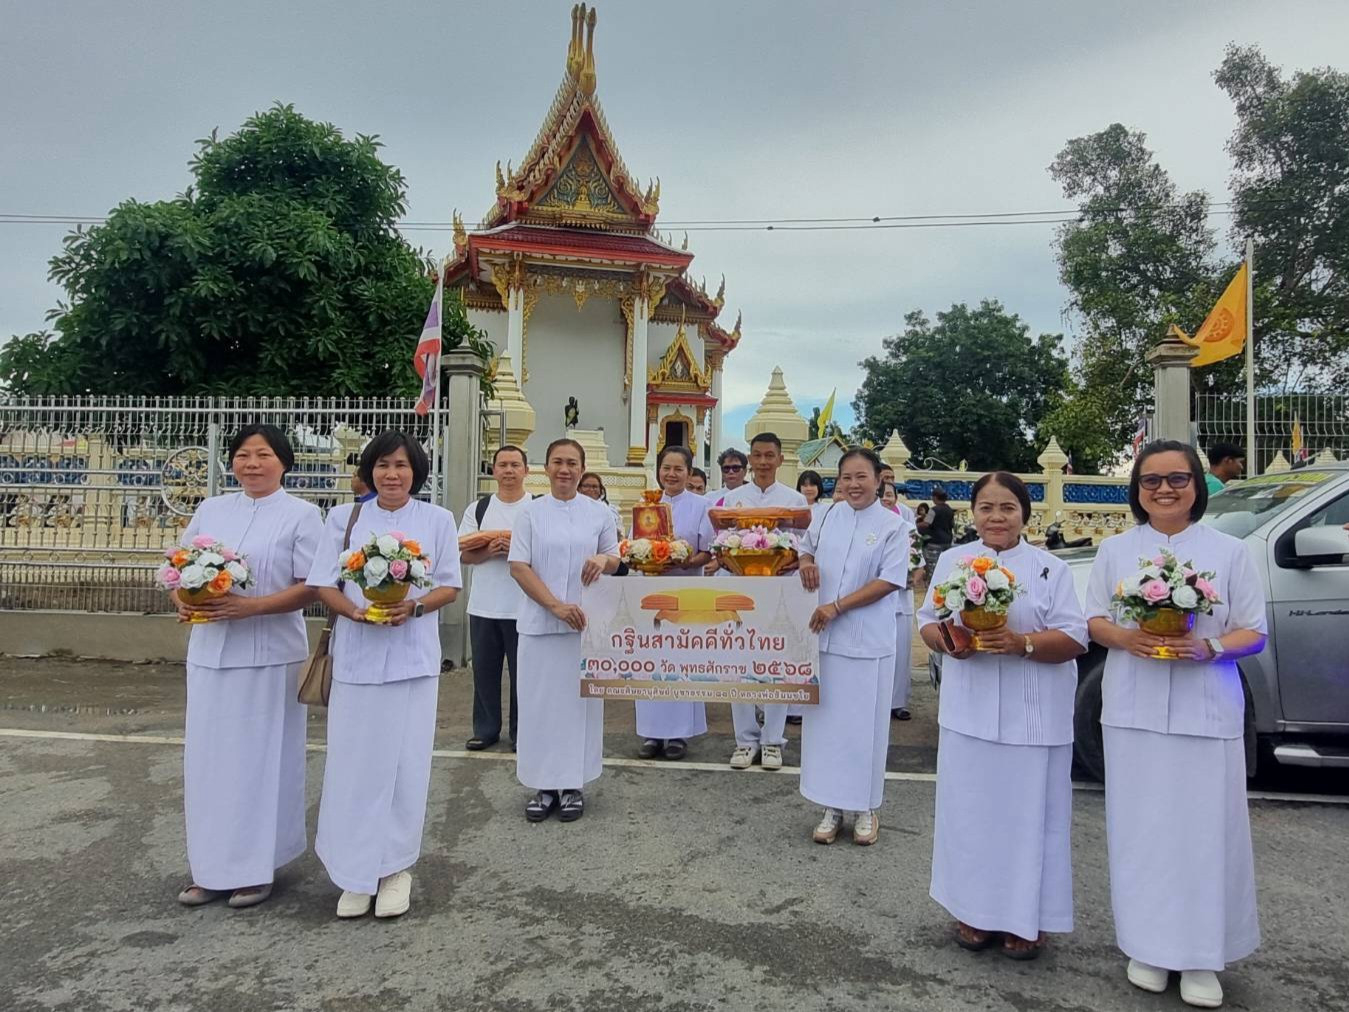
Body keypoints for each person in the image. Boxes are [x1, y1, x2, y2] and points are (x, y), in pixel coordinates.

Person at [1085, 440, 1266, 1008]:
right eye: (1151, 480)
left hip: (1205, 708)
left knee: (1205, 831)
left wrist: (1209, 647)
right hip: (1133, 707)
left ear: (1197, 486)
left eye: (1177, 479)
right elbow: (1093, 620)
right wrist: (1126, 636)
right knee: (1142, 829)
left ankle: (1202, 955)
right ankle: (1147, 945)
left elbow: (1254, 632)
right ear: (1137, 489)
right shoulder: (1115, 551)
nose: (1164, 489)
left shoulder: (1230, 552)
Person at [918, 471, 1088, 960]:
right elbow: (929, 621)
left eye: (1007, 508)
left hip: (1033, 718)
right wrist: (950, 643)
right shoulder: (953, 561)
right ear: (974, 513)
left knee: (1030, 819)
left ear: (1024, 515)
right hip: (969, 712)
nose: (996, 517)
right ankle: (973, 910)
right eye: (987, 508)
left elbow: (1076, 637)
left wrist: (1022, 643)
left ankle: (1026, 920)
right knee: (971, 815)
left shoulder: (1049, 569)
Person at [308, 430, 462, 920]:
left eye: (401, 465)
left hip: (413, 661)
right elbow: (322, 583)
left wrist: (413, 607)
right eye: (382, 465)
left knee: (404, 766)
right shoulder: (344, 517)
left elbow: (449, 586)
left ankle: (395, 869)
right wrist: (355, 615)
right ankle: (355, 872)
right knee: (354, 765)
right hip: (356, 658)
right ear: (369, 471)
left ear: (416, 471)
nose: (392, 474)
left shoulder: (436, 519)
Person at [173, 424, 324, 910]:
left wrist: (252, 608)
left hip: (270, 656)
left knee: (261, 762)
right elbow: (180, 565)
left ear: (283, 461)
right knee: (209, 761)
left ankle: (256, 868)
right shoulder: (212, 508)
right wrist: (182, 596)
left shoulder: (302, 515)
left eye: (263, 455)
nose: (252, 464)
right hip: (212, 651)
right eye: (243, 455)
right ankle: (210, 868)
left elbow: (313, 585)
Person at [797, 447, 907, 846]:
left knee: (865, 728)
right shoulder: (826, 515)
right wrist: (806, 562)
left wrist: (838, 606)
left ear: (879, 480)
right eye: (846, 477)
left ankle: (864, 809)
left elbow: (889, 580)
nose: (853, 485)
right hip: (824, 640)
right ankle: (831, 806)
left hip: (868, 643)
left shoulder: (893, 526)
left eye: (862, 477)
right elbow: (804, 548)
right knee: (827, 728)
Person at [510, 438, 621, 822]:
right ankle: (544, 785)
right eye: (558, 461)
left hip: (585, 628)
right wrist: (555, 606)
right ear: (545, 467)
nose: (565, 469)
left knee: (579, 708)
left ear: (583, 467)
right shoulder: (530, 513)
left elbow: (616, 558)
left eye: (572, 463)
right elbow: (519, 566)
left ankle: (573, 783)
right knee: (541, 707)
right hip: (541, 625)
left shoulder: (599, 512)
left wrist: (602, 558)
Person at [700, 432, 808, 770]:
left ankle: (773, 740)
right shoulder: (734, 501)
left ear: (780, 459)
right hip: (739, 590)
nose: (763, 462)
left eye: (769, 455)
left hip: (780, 592)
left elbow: (804, 547)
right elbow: (720, 545)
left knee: (776, 663)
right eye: (757, 456)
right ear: (750, 459)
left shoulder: (795, 501)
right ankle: (745, 740)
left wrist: (788, 561)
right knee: (739, 665)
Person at [634, 445, 712, 760]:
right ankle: (652, 733)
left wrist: (684, 560)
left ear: (689, 472)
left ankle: (680, 733)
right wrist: (648, 559)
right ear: (658, 470)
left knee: (683, 660)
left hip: (687, 590)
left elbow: (710, 550)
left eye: (679, 469)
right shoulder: (645, 506)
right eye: (666, 468)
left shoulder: (702, 506)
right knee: (651, 660)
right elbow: (634, 547)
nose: (672, 474)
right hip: (651, 591)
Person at [459, 445, 531, 752]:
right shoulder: (479, 509)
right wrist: (490, 550)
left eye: (515, 465)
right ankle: (486, 729)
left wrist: (514, 549)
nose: (509, 471)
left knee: (523, 675)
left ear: (526, 470)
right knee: (484, 672)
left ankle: (523, 732)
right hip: (485, 605)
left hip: (525, 606)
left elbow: (546, 552)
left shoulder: (536, 508)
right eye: (503, 465)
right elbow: (463, 552)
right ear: (494, 470)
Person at [579, 470, 624, 538]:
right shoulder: (572, 507)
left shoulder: (609, 510)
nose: (591, 489)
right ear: (579, 488)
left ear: (601, 490)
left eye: (595, 487)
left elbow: (617, 534)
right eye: (586, 486)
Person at [922, 487, 956, 572]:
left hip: (934, 542)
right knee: (945, 565)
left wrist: (916, 524)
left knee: (933, 566)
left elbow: (926, 524)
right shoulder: (950, 510)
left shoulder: (933, 510)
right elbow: (952, 524)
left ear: (935, 497)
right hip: (947, 541)